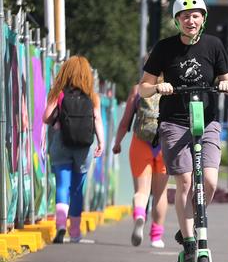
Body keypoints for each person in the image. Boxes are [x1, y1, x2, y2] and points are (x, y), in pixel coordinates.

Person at [138, 0, 228, 262]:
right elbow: (143, 87)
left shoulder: (214, 45)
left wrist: (227, 85)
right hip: (174, 122)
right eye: (185, 16)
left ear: (203, 19)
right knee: (184, 181)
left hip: (207, 121)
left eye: (195, 16)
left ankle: (188, 226)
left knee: (209, 180)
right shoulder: (164, 48)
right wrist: (159, 86)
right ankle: (190, 239)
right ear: (177, 20)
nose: (190, 20)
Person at [43, 56, 105, 243]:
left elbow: (46, 117)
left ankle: (61, 226)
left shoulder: (59, 93)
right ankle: (75, 232)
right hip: (84, 147)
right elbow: (97, 119)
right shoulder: (92, 96)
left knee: (62, 185)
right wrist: (101, 142)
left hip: (62, 142)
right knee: (77, 189)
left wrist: (57, 120)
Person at [112, 79, 169, 248]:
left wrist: (117, 143)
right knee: (161, 194)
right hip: (164, 145)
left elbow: (125, 122)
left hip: (140, 143)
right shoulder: (172, 88)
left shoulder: (137, 89)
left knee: (141, 191)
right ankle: (156, 236)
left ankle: (139, 215)